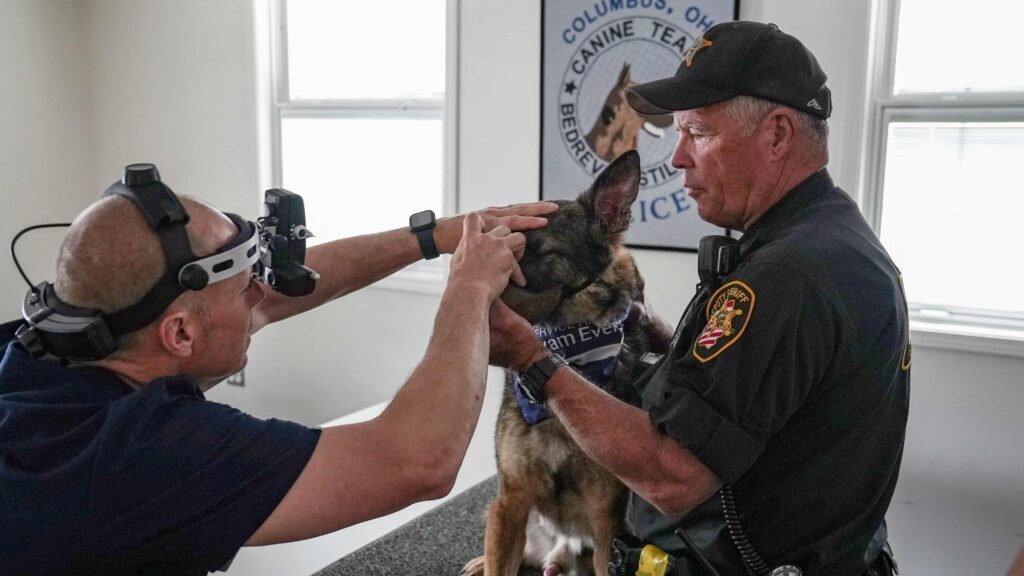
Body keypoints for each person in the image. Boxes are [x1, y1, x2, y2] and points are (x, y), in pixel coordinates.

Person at [491, 21, 909, 576]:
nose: (678, 158)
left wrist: (533, 361)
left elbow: (674, 477)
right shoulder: (833, 237)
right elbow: (742, 390)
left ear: (778, 134)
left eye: (699, 133)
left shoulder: (786, 276)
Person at [0, 166, 557, 575]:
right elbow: (418, 461)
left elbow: (277, 294)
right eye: (244, 286)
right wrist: (469, 289)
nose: (262, 294)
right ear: (181, 334)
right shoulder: (139, 454)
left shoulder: (36, 352)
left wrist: (430, 240)